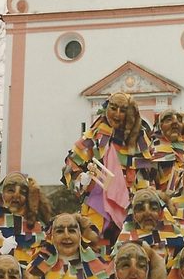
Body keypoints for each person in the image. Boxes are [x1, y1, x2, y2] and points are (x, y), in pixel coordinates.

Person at [62, 91, 154, 244]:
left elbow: (146, 175)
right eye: (113, 107)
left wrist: (143, 201)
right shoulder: (94, 134)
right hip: (97, 206)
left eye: (123, 110)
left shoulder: (140, 139)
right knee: (96, 247)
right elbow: (70, 166)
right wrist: (81, 180)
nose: (117, 114)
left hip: (131, 207)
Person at [115, 187, 184, 267]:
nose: (147, 213)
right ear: (134, 215)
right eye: (141, 209)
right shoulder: (124, 244)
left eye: (153, 208)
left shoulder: (177, 242)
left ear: (160, 212)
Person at [150, 109, 184, 194]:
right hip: (165, 202)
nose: (175, 123)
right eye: (169, 120)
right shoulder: (151, 150)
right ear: (160, 126)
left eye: (179, 120)